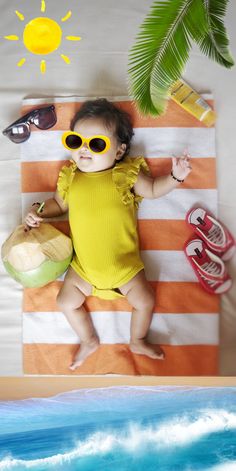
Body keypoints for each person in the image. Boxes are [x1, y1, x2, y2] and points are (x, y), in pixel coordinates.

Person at [25, 98, 192, 370]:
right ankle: (88, 339)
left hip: (125, 269)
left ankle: (137, 338)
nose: (84, 150)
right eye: (76, 141)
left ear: (118, 151)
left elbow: (152, 190)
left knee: (145, 300)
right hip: (83, 271)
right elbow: (58, 205)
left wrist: (175, 177)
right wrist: (38, 210)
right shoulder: (70, 177)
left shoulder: (125, 174)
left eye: (97, 144)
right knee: (65, 302)